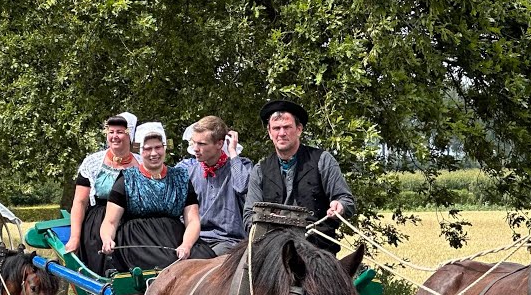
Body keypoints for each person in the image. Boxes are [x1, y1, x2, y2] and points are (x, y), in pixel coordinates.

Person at [243, 100, 355, 253]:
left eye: (287, 127)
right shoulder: (260, 169)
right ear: (270, 133)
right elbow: (249, 215)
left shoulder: (323, 160)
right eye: (276, 128)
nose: (282, 133)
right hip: (273, 253)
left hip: (318, 249)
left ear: (299, 129)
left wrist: (339, 207)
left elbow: (346, 201)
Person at [100, 123, 213, 271]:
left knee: (206, 260)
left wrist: (186, 244)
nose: (154, 153)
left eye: (158, 147)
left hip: (174, 238)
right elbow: (110, 222)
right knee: (167, 265)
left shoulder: (181, 178)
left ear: (164, 147)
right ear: (140, 151)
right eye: (148, 149)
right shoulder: (126, 180)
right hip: (139, 242)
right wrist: (107, 239)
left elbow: (192, 220)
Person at [65, 112, 140, 274]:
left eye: (120, 132)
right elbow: (80, 202)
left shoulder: (141, 163)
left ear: (130, 135)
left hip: (133, 221)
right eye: (111, 132)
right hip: (99, 222)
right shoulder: (93, 163)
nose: (115, 136)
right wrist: (74, 237)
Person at [176, 116, 251, 256]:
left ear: (219, 144)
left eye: (202, 144)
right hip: (194, 239)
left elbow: (243, 186)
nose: (195, 149)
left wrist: (233, 152)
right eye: (194, 143)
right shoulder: (188, 169)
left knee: (203, 261)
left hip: (228, 241)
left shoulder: (240, 166)